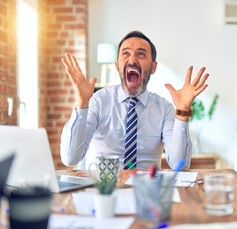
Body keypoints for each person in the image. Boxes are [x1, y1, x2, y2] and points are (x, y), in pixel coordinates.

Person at [60, 30, 209, 170]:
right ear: (117, 65)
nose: (132, 59)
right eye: (125, 54)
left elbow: (180, 165)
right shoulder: (97, 101)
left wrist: (182, 113)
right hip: (103, 190)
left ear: (153, 67)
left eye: (141, 54)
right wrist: (81, 104)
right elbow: (70, 159)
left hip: (145, 191)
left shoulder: (165, 108)